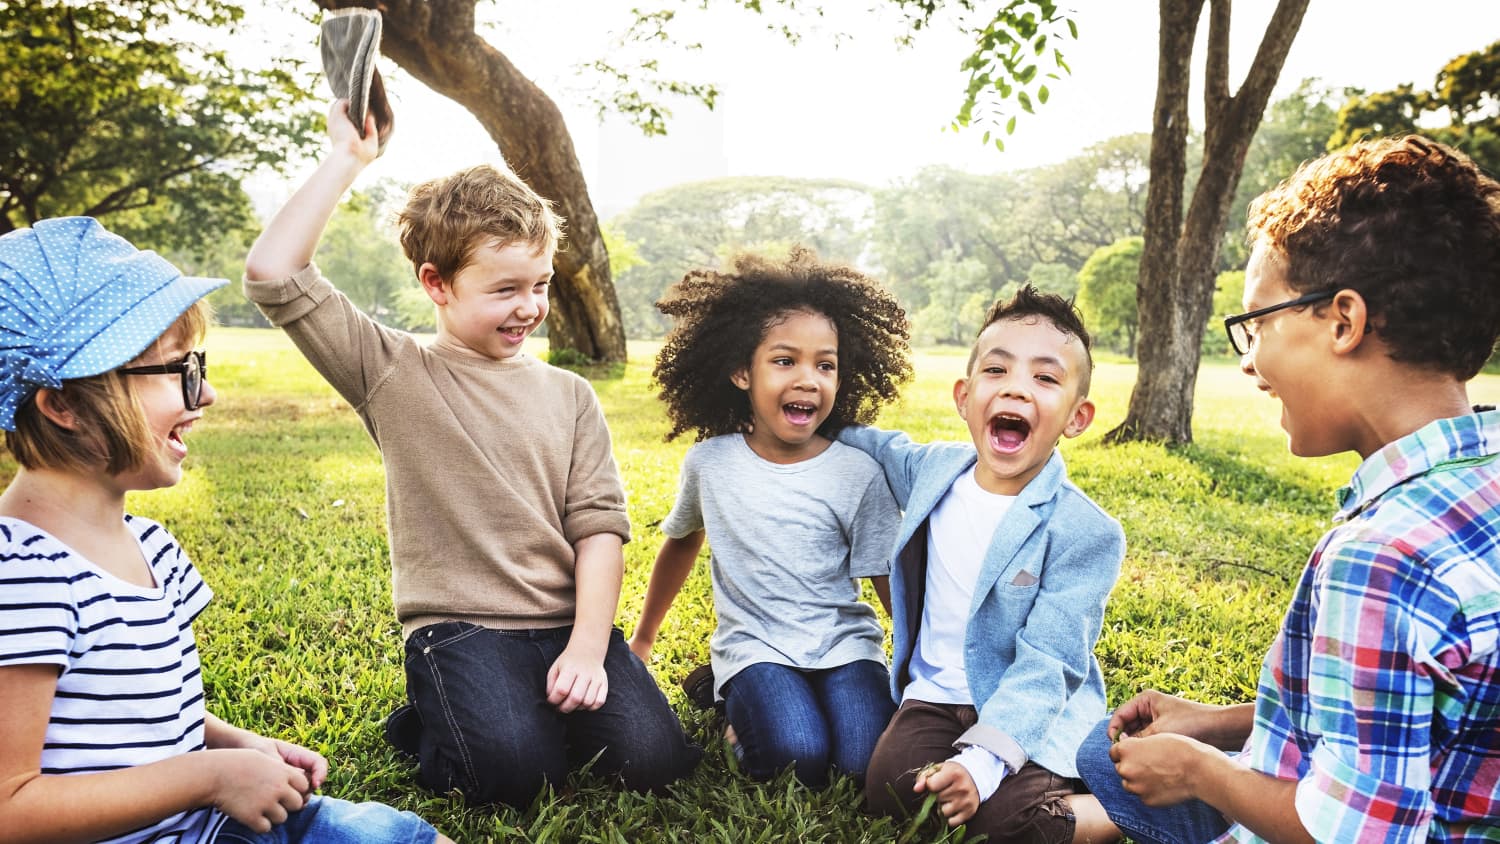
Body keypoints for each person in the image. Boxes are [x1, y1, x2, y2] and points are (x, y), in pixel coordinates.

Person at [243, 102, 701, 808]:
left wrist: (586, 648)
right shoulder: (391, 370)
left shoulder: (571, 394)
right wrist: (348, 159)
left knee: (654, 762)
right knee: (513, 779)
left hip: (565, 622)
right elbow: (274, 275)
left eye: (540, 285)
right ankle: (430, 720)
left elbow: (599, 530)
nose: (529, 307)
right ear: (436, 284)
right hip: (461, 631)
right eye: (506, 289)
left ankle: (528, 710)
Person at [1074, 136, 1500, 843]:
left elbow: (1352, 833)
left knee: (1122, 761)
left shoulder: (1383, 557)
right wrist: (1224, 720)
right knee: (1103, 749)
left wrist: (1199, 771)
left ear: (1343, 320)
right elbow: (1416, 703)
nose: (1250, 363)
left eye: (1256, 323)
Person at [0, 217, 452, 843]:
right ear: (65, 405)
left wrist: (241, 747)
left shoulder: (150, 546)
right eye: (176, 371)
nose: (206, 393)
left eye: (199, 366)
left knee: (396, 835)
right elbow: (11, 807)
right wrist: (209, 778)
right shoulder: (23, 578)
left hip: (212, 823)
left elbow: (150, 718)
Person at [838, 285, 1125, 843]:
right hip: (936, 697)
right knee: (892, 790)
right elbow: (873, 444)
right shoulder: (934, 470)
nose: (1017, 387)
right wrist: (802, 416)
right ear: (965, 397)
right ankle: (986, 783)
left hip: (1028, 705)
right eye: (997, 371)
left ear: (1076, 416)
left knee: (1000, 824)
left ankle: (1110, 809)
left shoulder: (1086, 531)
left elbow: (1049, 662)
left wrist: (982, 763)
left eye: (1045, 378)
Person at [627, 249, 910, 787]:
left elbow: (884, 575)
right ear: (740, 371)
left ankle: (744, 698)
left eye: (825, 364)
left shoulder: (857, 472)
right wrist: (643, 639)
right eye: (785, 361)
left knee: (860, 763)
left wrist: (924, 664)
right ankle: (735, 706)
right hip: (756, 645)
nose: (809, 379)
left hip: (845, 645)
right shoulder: (711, 463)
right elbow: (682, 541)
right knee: (795, 756)